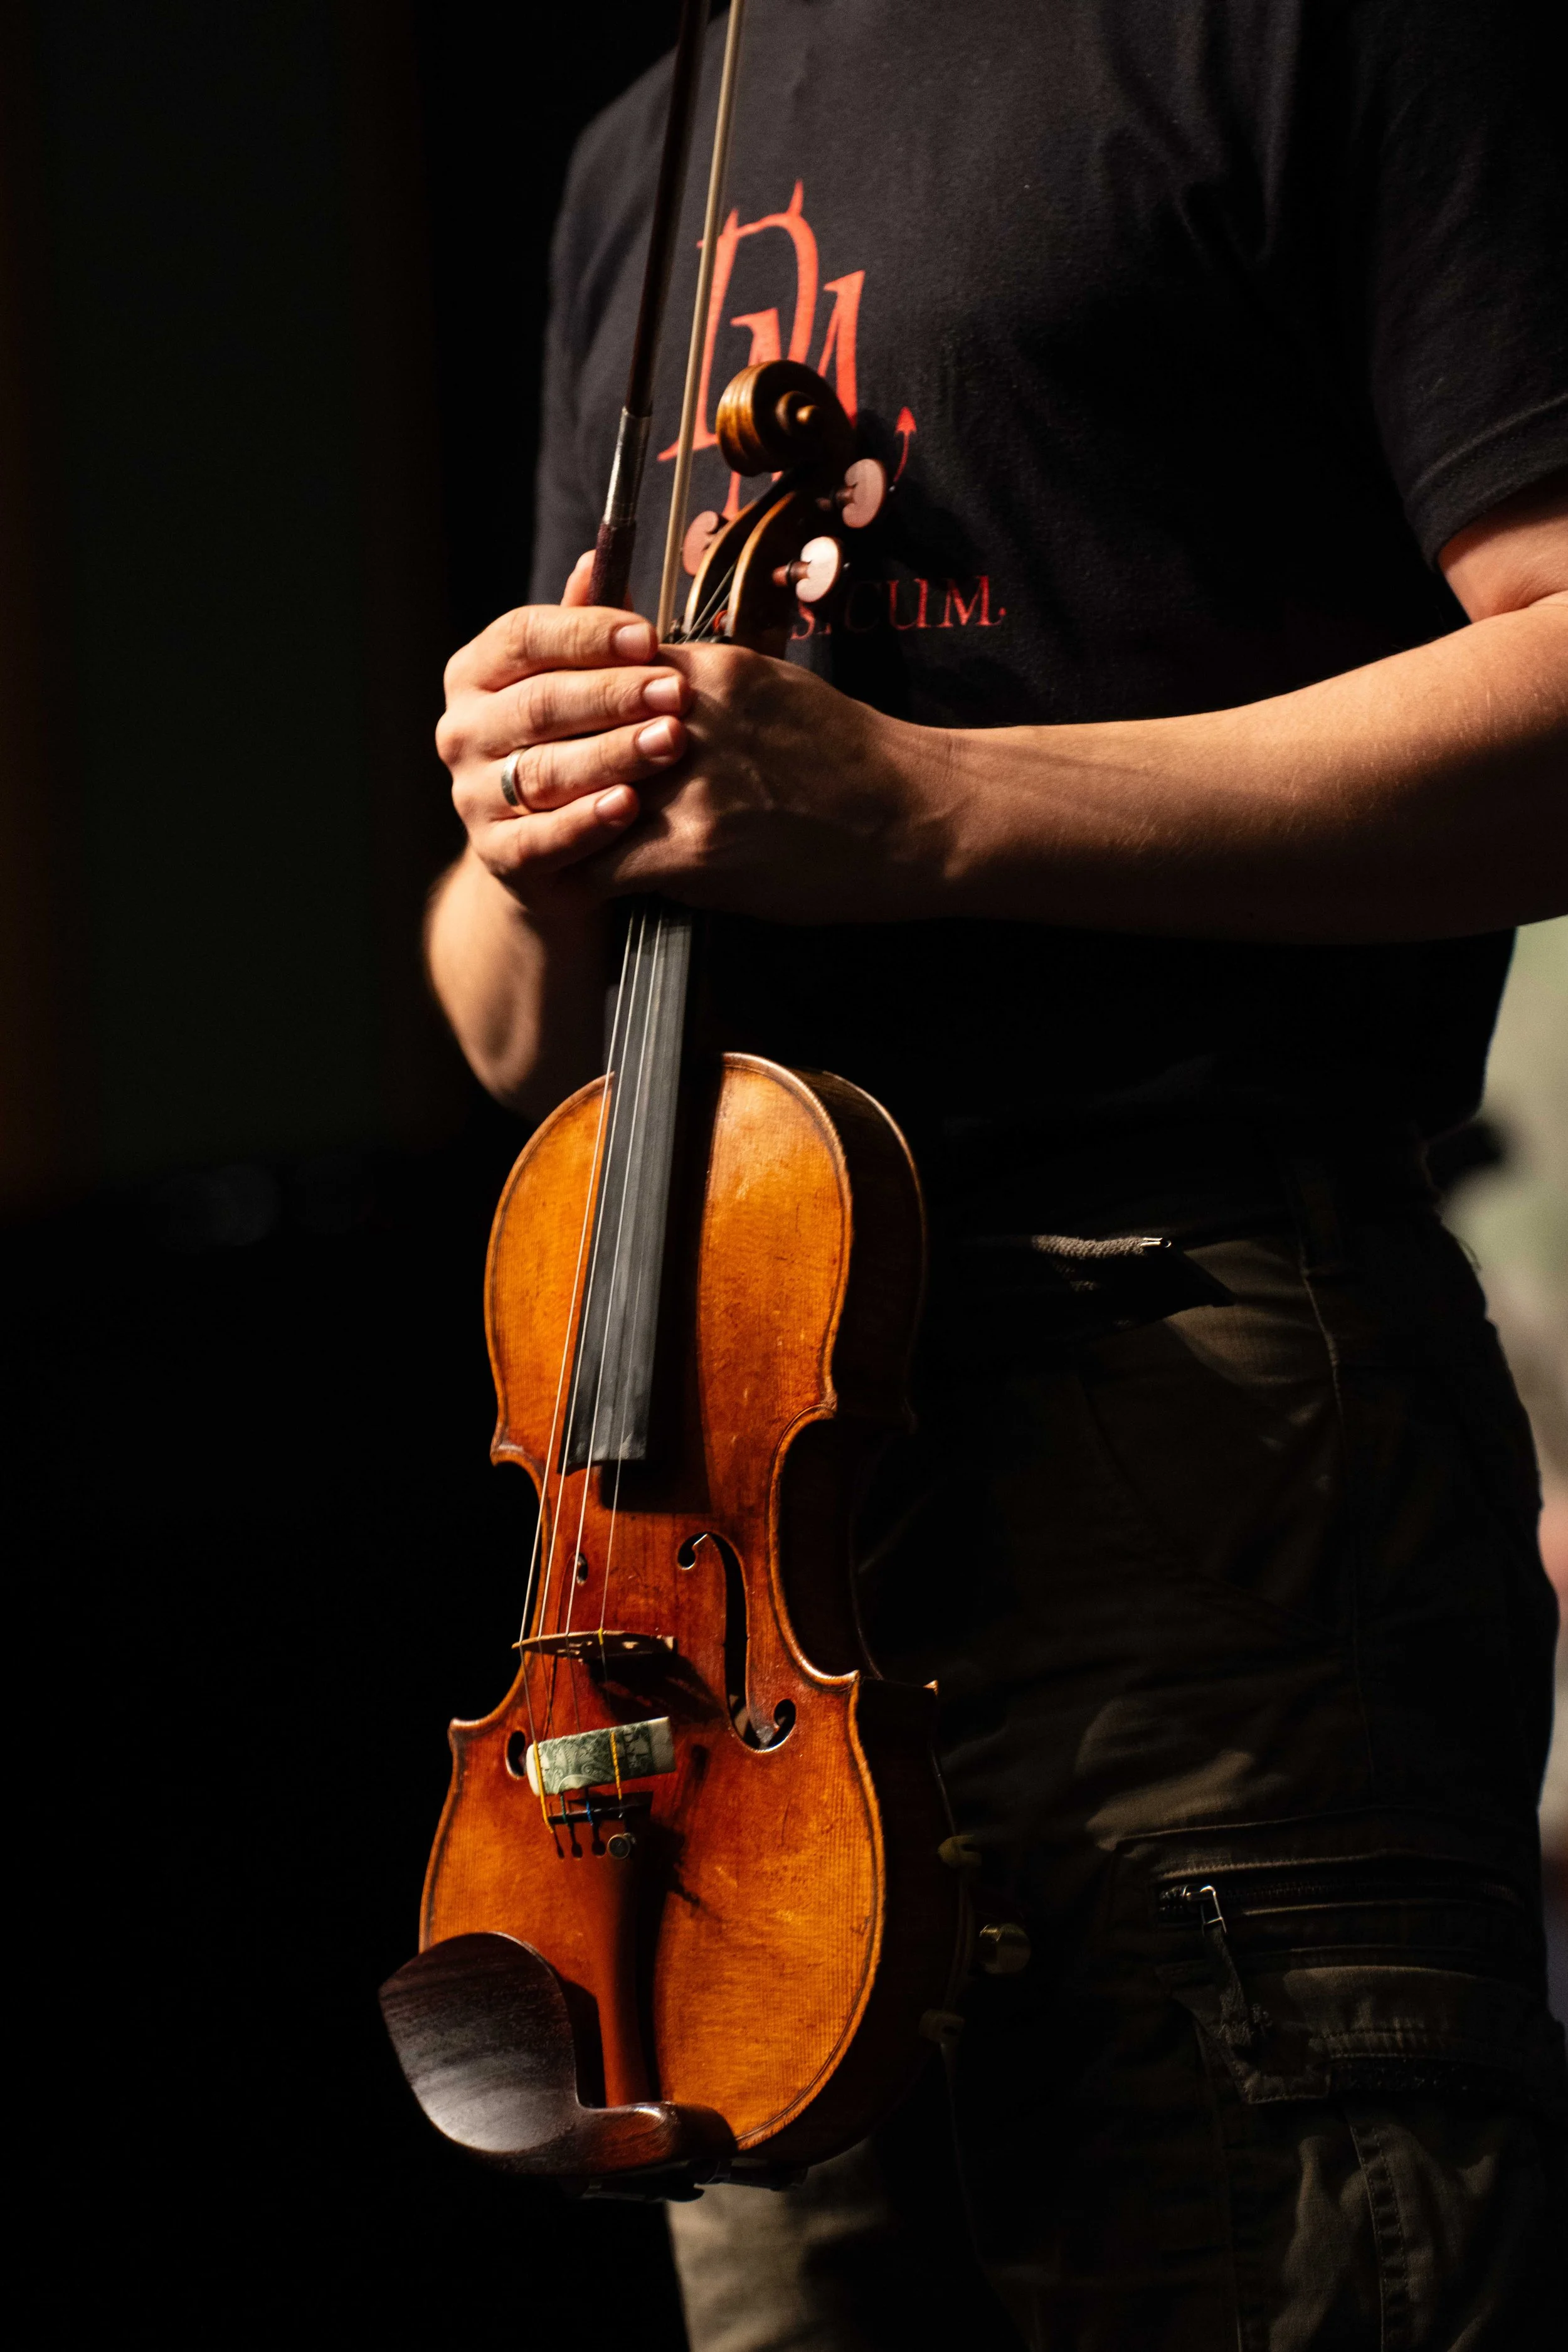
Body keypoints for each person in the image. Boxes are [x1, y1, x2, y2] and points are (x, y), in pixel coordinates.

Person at [426, 3, 1568, 2343]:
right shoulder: (669, 133)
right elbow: (504, 1019)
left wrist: (938, 808)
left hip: (1197, 1424)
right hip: (726, 1526)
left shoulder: (1314, 34)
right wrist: (526, 821)